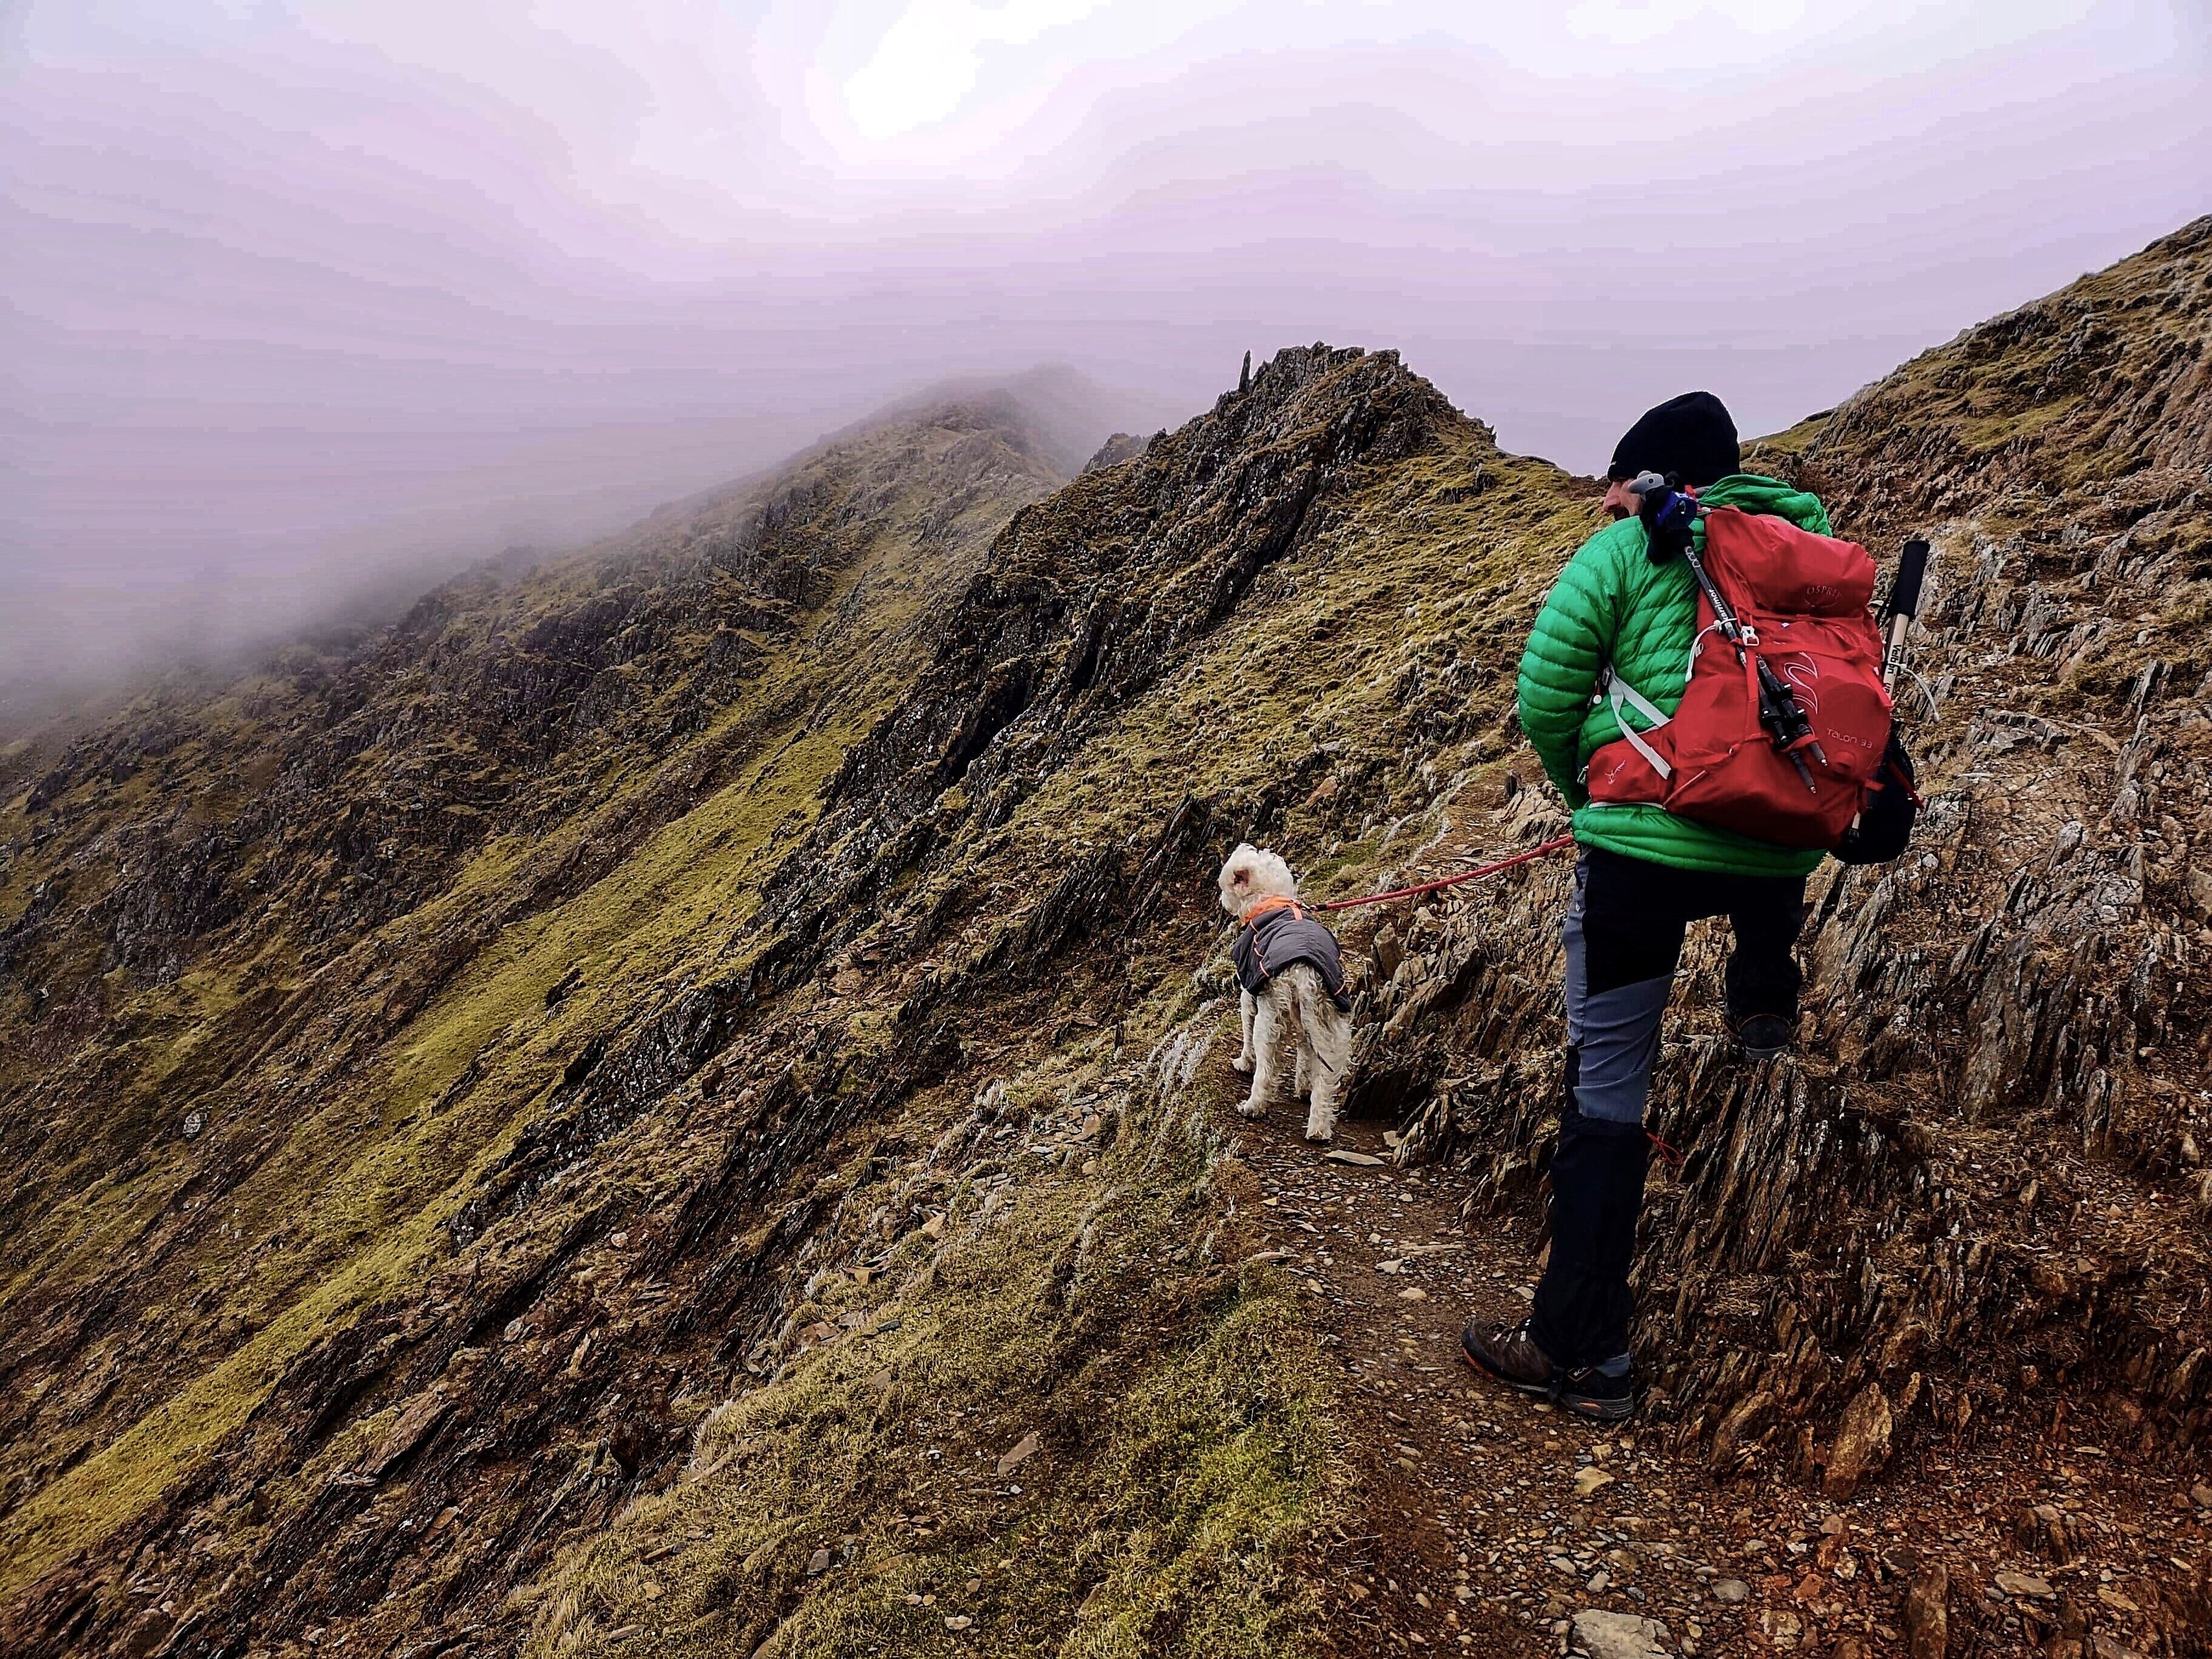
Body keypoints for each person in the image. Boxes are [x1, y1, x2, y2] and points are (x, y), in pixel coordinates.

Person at [1462, 391, 1832, 1422]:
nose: (1607, 499)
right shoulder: (1808, 546)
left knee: (1608, 1092)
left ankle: (1584, 1351)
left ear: (1652, 476)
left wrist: (1593, 802)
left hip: (1641, 861)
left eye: (1618, 482)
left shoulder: (1627, 555)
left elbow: (1545, 696)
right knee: (1764, 857)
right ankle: (1765, 1001)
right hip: (1776, 848)